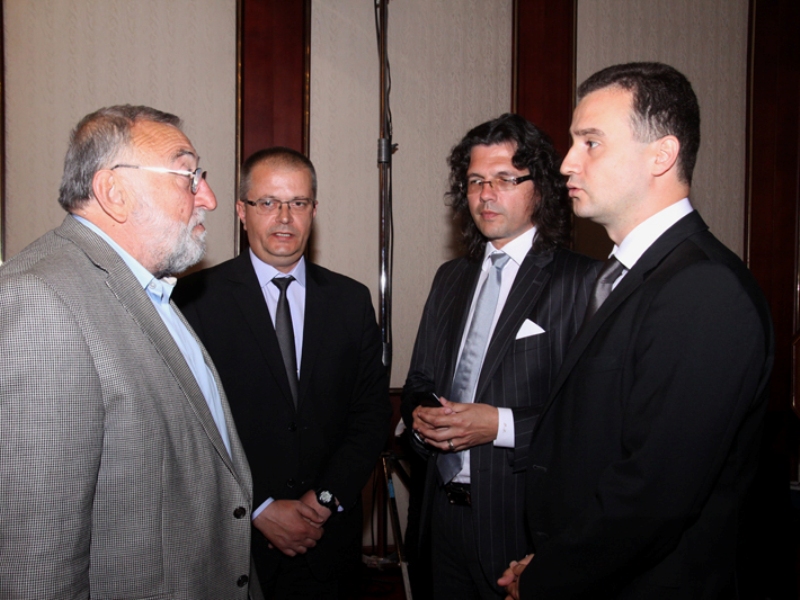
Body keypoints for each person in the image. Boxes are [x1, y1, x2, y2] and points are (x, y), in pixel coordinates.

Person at [500, 62, 774, 599]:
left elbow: (655, 492)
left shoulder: (704, 289)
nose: (567, 163)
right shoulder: (626, 274)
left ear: (661, 155)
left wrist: (547, 577)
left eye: (591, 143)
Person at [0, 105, 257, 599]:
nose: (209, 197)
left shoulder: (151, 287)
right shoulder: (41, 302)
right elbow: (35, 564)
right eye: (188, 175)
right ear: (114, 192)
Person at [173, 147, 390, 598]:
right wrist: (258, 508)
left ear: (314, 210)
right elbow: (187, 428)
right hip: (236, 549)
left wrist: (324, 500)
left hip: (329, 546)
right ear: (241, 211)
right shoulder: (194, 301)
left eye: (298, 203)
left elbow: (370, 416)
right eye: (268, 202)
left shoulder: (351, 301)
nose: (284, 218)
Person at [401, 113, 600, 599]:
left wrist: (500, 426)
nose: (486, 194)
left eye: (505, 179)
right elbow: (419, 380)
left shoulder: (582, 282)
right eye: (475, 181)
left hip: (522, 525)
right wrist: (423, 419)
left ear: (541, 188)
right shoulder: (450, 277)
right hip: (438, 515)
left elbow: (592, 418)